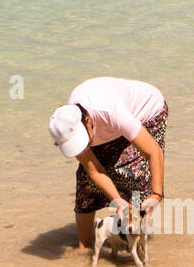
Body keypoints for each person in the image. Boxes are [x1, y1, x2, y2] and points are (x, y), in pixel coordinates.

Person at [47, 77, 167, 253]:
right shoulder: (66, 127)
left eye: (83, 140)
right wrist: (118, 202)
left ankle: (133, 242)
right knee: (85, 181)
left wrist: (157, 195)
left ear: (87, 120)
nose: (84, 147)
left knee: (133, 175)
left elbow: (153, 152)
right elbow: (94, 171)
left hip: (147, 112)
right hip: (108, 126)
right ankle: (84, 247)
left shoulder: (110, 112)